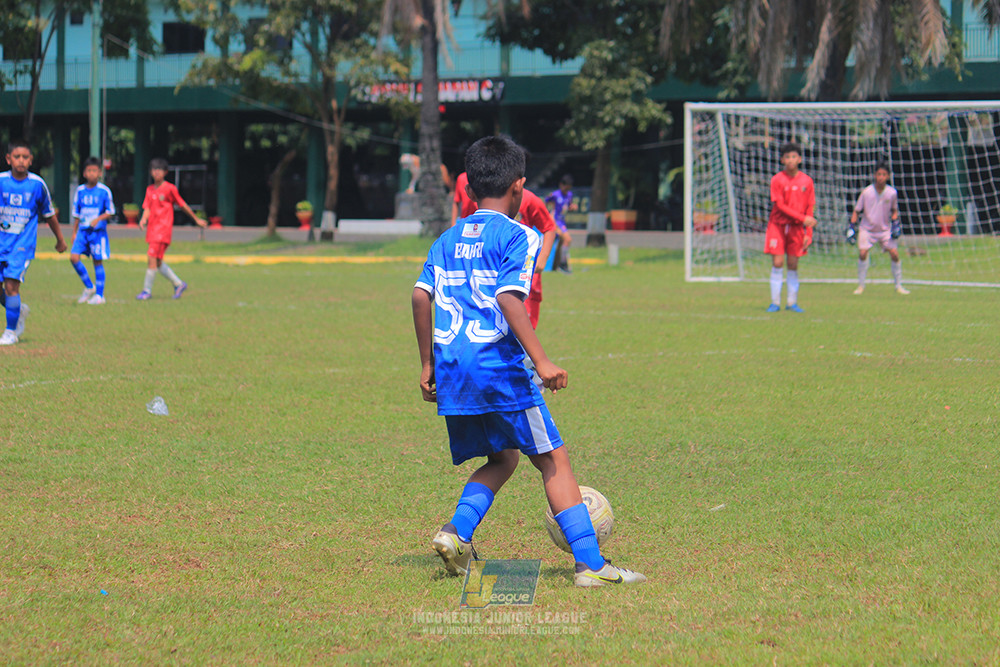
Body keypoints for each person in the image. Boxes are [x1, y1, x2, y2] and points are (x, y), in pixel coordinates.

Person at [412, 135, 646, 588]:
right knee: (553, 459)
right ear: (519, 186)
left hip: (454, 369)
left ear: (468, 188)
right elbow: (508, 297)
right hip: (498, 367)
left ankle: (455, 533)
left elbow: (421, 296)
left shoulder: (446, 238)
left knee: (503, 457)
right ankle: (591, 566)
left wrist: (426, 365)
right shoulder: (519, 234)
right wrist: (542, 361)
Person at [450, 171, 556, 328]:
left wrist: (543, 258)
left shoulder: (529, 200)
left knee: (522, 329)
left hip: (523, 275)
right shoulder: (483, 202)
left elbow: (549, 227)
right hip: (491, 274)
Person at [0, 139, 67, 345]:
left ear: (31, 160)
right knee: (6, 290)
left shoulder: (37, 185)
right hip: (2, 242)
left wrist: (60, 239)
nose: (21, 160)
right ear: (8, 159)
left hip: (22, 245)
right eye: (17, 157)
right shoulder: (1, 181)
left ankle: (10, 332)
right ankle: (18, 310)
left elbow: (49, 215)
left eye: (25, 157)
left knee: (11, 285)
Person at [136, 158, 207, 300]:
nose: (156, 172)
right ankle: (178, 284)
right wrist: (143, 219)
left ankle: (146, 291)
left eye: (159, 169)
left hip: (163, 230)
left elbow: (182, 204)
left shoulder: (170, 189)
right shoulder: (150, 190)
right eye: (154, 169)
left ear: (165, 172)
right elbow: (147, 207)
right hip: (152, 230)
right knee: (158, 262)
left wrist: (196, 219)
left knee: (151, 258)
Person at [764, 142, 817, 313]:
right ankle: (775, 302)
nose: (791, 160)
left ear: (799, 159)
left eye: (794, 157)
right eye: (787, 157)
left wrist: (808, 233)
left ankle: (792, 302)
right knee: (778, 262)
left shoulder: (807, 181)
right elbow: (779, 206)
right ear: (782, 160)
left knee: (793, 264)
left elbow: (810, 207)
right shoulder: (777, 180)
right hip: (777, 226)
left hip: (796, 228)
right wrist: (803, 219)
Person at [848, 163, 909, 295]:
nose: (881, 177)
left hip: (884, 230)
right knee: (863, 253)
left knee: (895, 254)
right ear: (875, 175)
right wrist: (851, 228)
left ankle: (898, 285)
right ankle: (861, 285)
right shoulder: (867, 192)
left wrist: (895, 224)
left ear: (888, 176)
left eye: (884, 175)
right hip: (867, 229)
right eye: (879, 174)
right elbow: (857, 211)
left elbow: (894, 210)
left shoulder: (892, 193)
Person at [69, 157, 116, 305]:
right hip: (82, 232)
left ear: (100, 173)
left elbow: (111, 211)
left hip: (97, 233)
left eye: (94, 171)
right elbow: (76, 213)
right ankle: (89, 287)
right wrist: (74, 232)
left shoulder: (104, 191)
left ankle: (99, 295)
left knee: (97, 261)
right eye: (89, 170)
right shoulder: (80, 191)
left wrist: (98, 219)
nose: (92, 173)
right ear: (84, 173)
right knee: (74, 258)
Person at [544, 175, 577, 273]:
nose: (567, 190)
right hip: (555, 221)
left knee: (561, 242)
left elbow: (568, 205)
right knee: (567, 239)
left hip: (562, 221)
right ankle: (563, 264)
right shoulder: (555, 195)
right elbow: (545, 202)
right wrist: (548, 214)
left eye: (569, 188)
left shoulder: (569, 195)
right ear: (561, 185)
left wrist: (572, 207)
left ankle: (556, 265)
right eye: (566, 187)